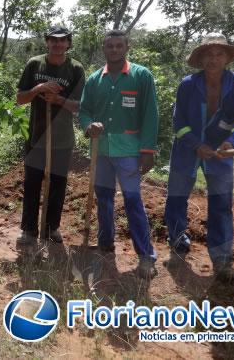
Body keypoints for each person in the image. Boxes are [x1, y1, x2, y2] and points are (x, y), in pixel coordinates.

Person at [164, 34, 234, 283]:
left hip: (221, 154)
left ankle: (222, 259)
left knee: (221, 206)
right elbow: (178, 122)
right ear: (201, 58)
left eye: (219, 54)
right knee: (176, 199)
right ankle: (178, 246)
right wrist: (195, 144)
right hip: (186, 150)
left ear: (228, 58)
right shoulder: (188, 84)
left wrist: (232, 143)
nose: (213, 59)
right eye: (208, 54)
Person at [79, 29, 158, 279]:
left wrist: (147, 150)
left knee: (133, 201)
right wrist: (88, 125)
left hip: (129, 153)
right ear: (104, 48)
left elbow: (150, 115)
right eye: (109, 46)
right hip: (101, 152)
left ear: (126, 47)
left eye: (118, 46)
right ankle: (105, 243)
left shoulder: (141, 76)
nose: (114, 49)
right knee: (104, 198)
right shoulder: (94, 80)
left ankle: (146, 257)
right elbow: (84, 111)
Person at [16, 26, 85, 245]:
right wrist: (39, 88)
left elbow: (79, 107)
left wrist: (59, 101)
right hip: (36, 136)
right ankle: (29, 230)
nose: (58, 44)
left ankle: (51, 228)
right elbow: (20, 99)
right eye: (53, 40)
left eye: (62, 40)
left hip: (62, 139)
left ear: (68, 43)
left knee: (58, 185)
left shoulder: (75, 69)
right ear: (47, 42)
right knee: (32, 184)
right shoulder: (35, 64)